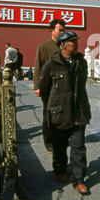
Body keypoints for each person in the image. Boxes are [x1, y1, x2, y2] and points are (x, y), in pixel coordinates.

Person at [38, 31, 91, 194]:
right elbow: (44, 89)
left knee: (79, 147)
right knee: (60, 147)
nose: (76, 44)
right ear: (63, 45)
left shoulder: (81, 61)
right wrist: (55, 105)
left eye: (76, 41)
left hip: (78, 111)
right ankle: (60, 170)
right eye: (73, 42)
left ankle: (79, 179)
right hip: (59, 113)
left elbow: (82, 84)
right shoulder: (51, 64)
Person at [33, 19, 66, 153]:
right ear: (52, 31)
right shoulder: (43, 47)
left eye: (64, 30)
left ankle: (60, 138)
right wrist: (37, 86)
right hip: (49, 87)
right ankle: (49, 141)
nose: (62, 32)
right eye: (60, 30)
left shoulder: (65, 46)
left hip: (63, 87)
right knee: (49, 115)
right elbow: (37, 67)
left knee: (63, 114)